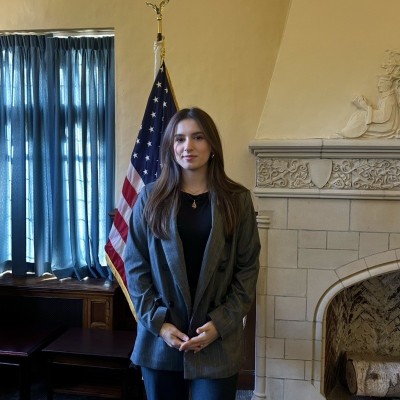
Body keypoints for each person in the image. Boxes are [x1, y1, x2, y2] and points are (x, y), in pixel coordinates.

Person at [124, 107, 261, 400]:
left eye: (198, 137)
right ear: (171, 147)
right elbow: (135, 268)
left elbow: (247, 270)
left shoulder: (237, 200)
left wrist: (220, 325)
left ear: (212, 145)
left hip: (216, 340)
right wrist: (159, 325)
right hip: (161, 338)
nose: (189, 146)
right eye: (180, 139)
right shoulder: (150, 198)